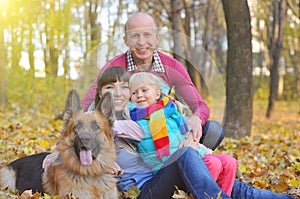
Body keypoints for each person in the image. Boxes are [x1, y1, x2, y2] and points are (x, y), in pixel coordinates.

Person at [44, 66, 295, 199]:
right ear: (100, 94)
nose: (119, 93)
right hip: (146, 189)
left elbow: (178, 123)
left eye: (124, 87)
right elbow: (74, 145)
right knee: (187, 158)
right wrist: (55, 153)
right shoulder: (93, 121)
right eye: (111, 88)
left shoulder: (144, 111)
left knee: (236, 186)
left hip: (166, 169)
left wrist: (189, 135)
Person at [82, 12, 224, 150]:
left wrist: (196, 118)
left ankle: (187, 161)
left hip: (165, 129)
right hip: (130, 137)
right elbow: (86, 104)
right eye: (135, 36)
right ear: (126, 40)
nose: (142, 42)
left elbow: (200, 105)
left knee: (213, 130)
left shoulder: (172, 67)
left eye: (147, 35)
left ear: (157, 38)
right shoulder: (114, 67)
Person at [128, 72, 238, 196]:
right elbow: (116, 127)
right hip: (169, 169)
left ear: (157, 93)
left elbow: (187, 130)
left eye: (144, 90)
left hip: (193, 155)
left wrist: (192, 139)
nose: (139, 95)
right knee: (213, 164)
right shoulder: (134, 122)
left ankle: (222, 195)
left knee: (230, 162)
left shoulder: (170, 111)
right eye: (134, 92)